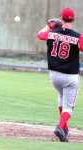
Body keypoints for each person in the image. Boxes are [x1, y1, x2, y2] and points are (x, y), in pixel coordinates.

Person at [37, 7, 83, 142]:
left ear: (61, 18)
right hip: (70, 76)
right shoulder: (77, 36)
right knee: (69, 106)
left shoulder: (51, 33)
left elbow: (40, 35)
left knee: (61, 96)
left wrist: (48, 26)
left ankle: (64, 128)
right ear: (73, 19)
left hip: (54, 76)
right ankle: (60, 126)